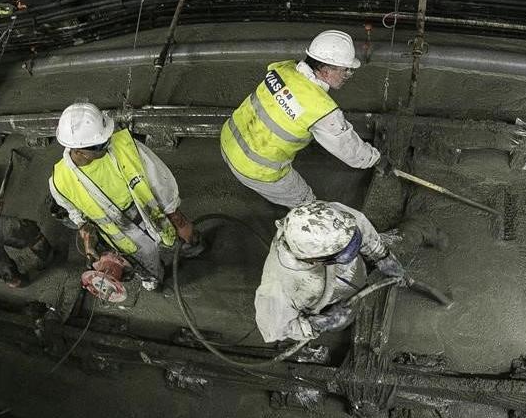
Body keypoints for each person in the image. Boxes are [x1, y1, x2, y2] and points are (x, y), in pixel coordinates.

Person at [220, 30, 383, 207]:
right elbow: (350, 150)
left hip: (228, 139)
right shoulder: (321, 109)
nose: (347, 76)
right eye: (346, 71)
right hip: (255, 168)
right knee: (306, 205)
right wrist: (376, 160)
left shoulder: (284, 68)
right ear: (326, 71)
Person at [49, 102, 196, 291]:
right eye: (100, 144)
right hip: (123, 235)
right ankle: (153, 278)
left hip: (148, 210)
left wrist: (173, 213)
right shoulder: (59, 181)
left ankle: (194, 247)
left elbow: (159, 178)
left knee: (182, 234)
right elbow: (74, 212)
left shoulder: (125, 146)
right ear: (79, 152)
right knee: (144, 261)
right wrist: (86, 232)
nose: (107, 143)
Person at [254, 200, 404, 342]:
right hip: (333, 304)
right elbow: (273, 330)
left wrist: (383, 257)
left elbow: (361, 226)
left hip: (350, 277)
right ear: (315, 259)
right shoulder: (278, 287)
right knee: (345, 319)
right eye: (343, 252)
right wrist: (320, 323)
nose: (351, 247)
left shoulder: (328, 217)